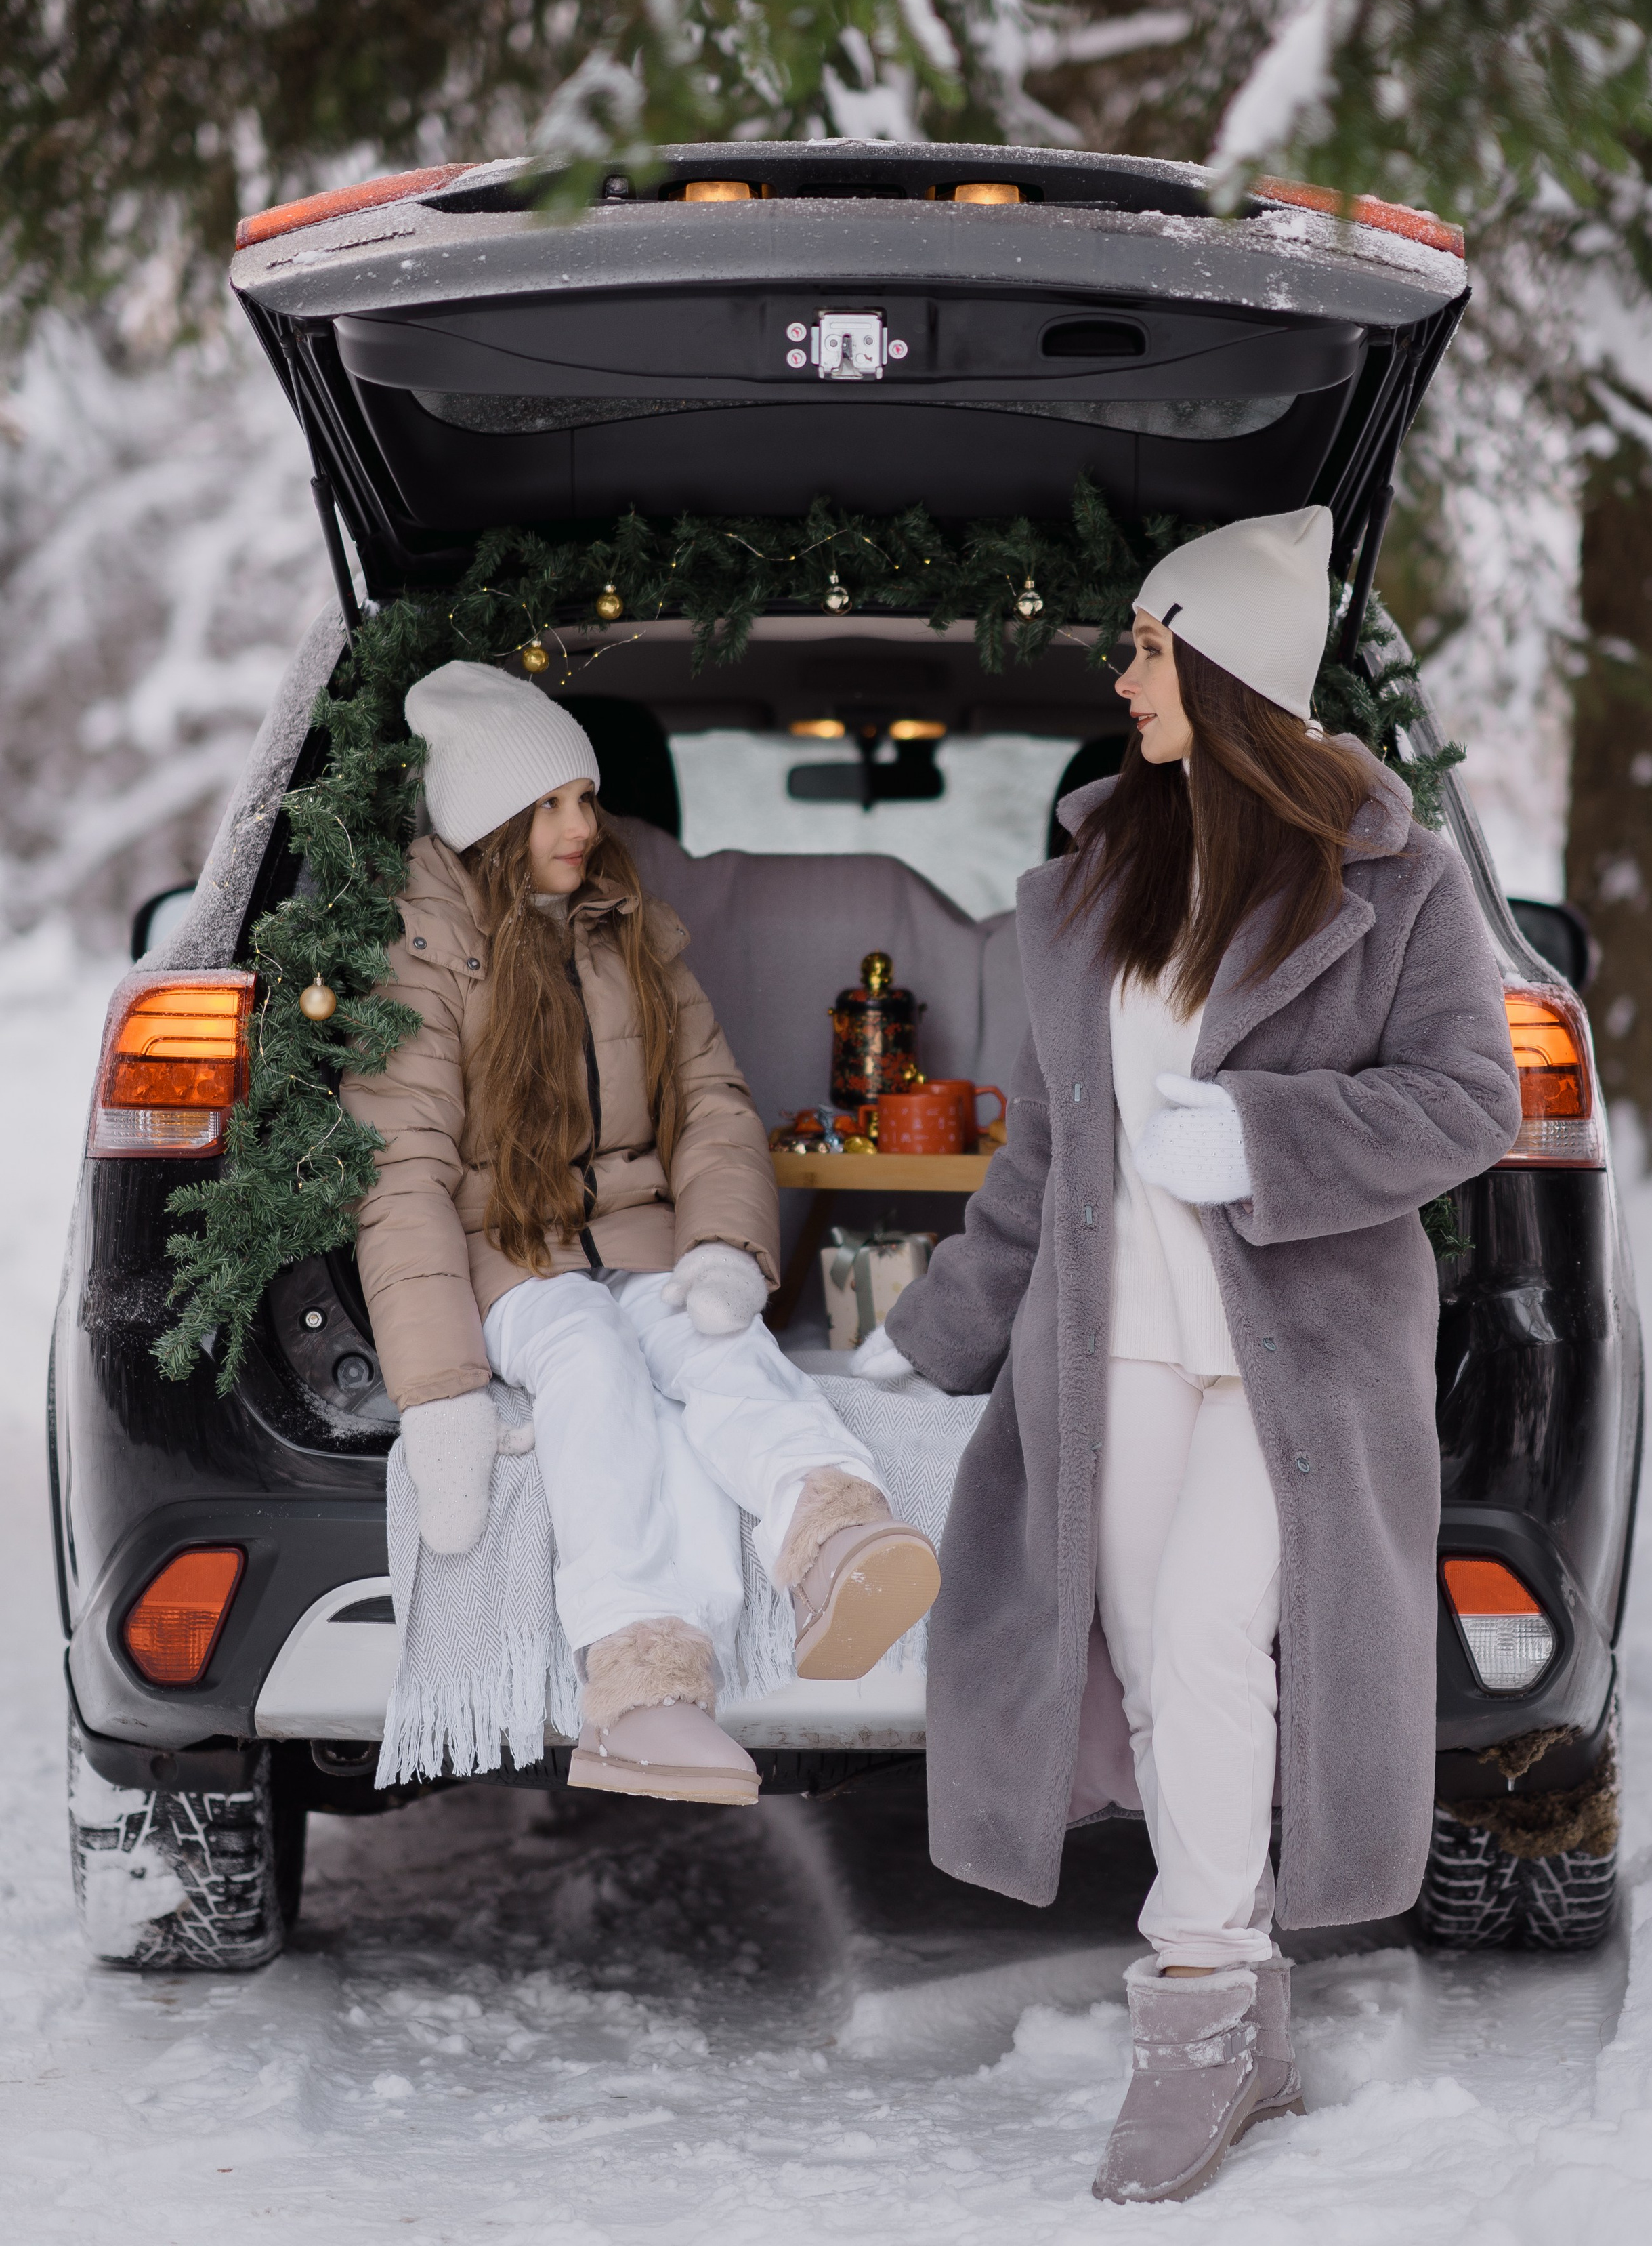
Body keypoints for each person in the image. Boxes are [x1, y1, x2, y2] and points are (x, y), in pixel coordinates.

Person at [855, 505, 1521, 2203]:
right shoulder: (1096, 884)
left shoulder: (1395, 879)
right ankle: (1241, 1998)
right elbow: (1040, 1158)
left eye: (1150, 648)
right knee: (1156, 1663)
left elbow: (1466, 1103)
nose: (1123, 674)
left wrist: (1270, 1137)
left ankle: (1202, 2007)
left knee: (1220, 1633)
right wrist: (929, 1337)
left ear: (1227, 672)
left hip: (1296, 1356)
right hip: (1120, 1351)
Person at [343, 659, 939, 1810]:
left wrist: (722, 1251)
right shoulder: (415, 957)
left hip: (639, 1231)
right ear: (490, 822)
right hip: (505, 1247)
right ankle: (644, 1681)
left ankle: (832, 1536)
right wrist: (442, 1391)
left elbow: (711, 1103)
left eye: (587, 799)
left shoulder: (630, 928)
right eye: (553, 805)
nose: (583, 826)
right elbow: (402, 1172)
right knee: (591, 1367)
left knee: (717, 1349)